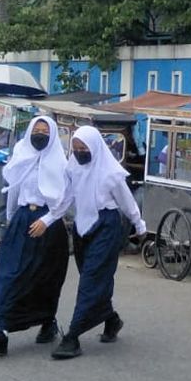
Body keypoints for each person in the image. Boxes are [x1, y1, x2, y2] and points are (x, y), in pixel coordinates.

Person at [51, 125, 146, 361]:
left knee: (91, 279)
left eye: (83, 148)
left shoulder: (109, 173)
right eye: (75, 148)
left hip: (107, 226)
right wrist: (48, 218)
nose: (79, 152)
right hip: (83, 228)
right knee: (92, 277)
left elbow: (127, 201)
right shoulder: (73, 168)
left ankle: (72, 336)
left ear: (94, 147)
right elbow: (66, 198)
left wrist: (139, 224)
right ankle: (111, 320)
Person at [0, 116, 72, 356]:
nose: (39, 135)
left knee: (44, 278)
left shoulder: (60, 163)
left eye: (44, 131)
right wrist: (9, 221)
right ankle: (2, 331)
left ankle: (47, 321)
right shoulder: (21, 156)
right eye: (36, 130)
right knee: (10, 275)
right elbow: (13, 190)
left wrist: (47, 220)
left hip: (48, 225)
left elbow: (65, 199)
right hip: (22, 221)